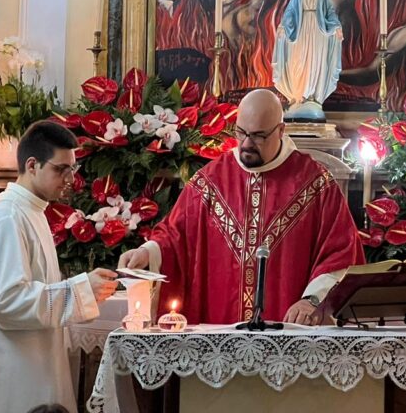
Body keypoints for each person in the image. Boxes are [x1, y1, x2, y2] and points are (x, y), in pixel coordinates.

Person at [118, 89, 363, 324]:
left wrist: (312, 300)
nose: (246, 143)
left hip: (289, 335)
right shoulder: (212, 180)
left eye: (258, 135)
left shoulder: (315, 183)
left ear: (280, 130)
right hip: (218, 335)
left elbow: (341, 251)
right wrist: (147, 252)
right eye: (241, 132)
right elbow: (176, 234)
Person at [0, 122, 118, 413]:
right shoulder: (7, 216)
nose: (69, 179)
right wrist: (79, 291)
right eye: (60, 169)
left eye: (72, 169)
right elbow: (7, 302)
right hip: (13, 376)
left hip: (34, 365)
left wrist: (83, 290)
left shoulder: (33, 212)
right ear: (32, 165)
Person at [272, 0, 344, 116]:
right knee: (298, 61)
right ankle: (298, 95)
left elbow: (330, 12)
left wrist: (336, 26)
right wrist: (284, 26)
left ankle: (312, 96)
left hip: (318, 32)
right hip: (301, 29)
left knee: (314, 61)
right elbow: (291, 11)